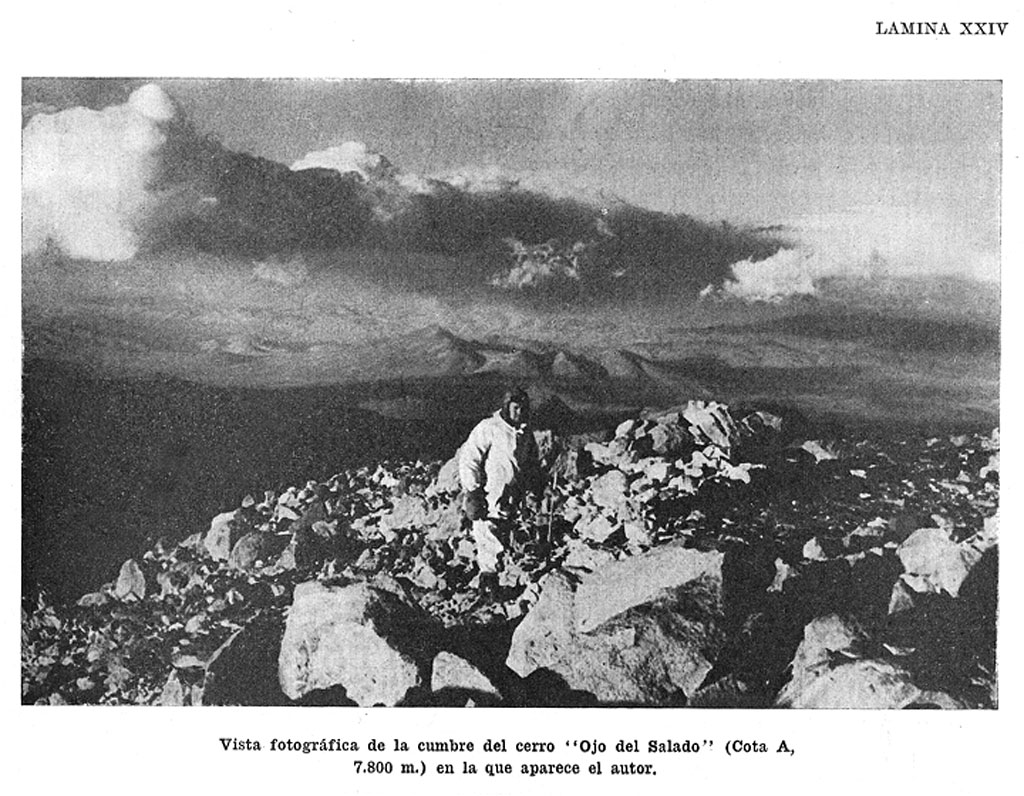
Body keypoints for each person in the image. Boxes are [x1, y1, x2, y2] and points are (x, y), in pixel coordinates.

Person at [458, 387, 541, 583]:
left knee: (506, 532)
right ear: (506, 406)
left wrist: (533, 484)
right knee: (487, 533)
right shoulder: (490, 427)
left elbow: (530, 461)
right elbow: (470, 458)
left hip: (512, 493)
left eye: (523, 408)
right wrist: (472, 490)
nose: (519, 412)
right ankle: (488, 581)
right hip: (488, 493)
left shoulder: (525, 431)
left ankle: (504, 578)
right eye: (515, 408)